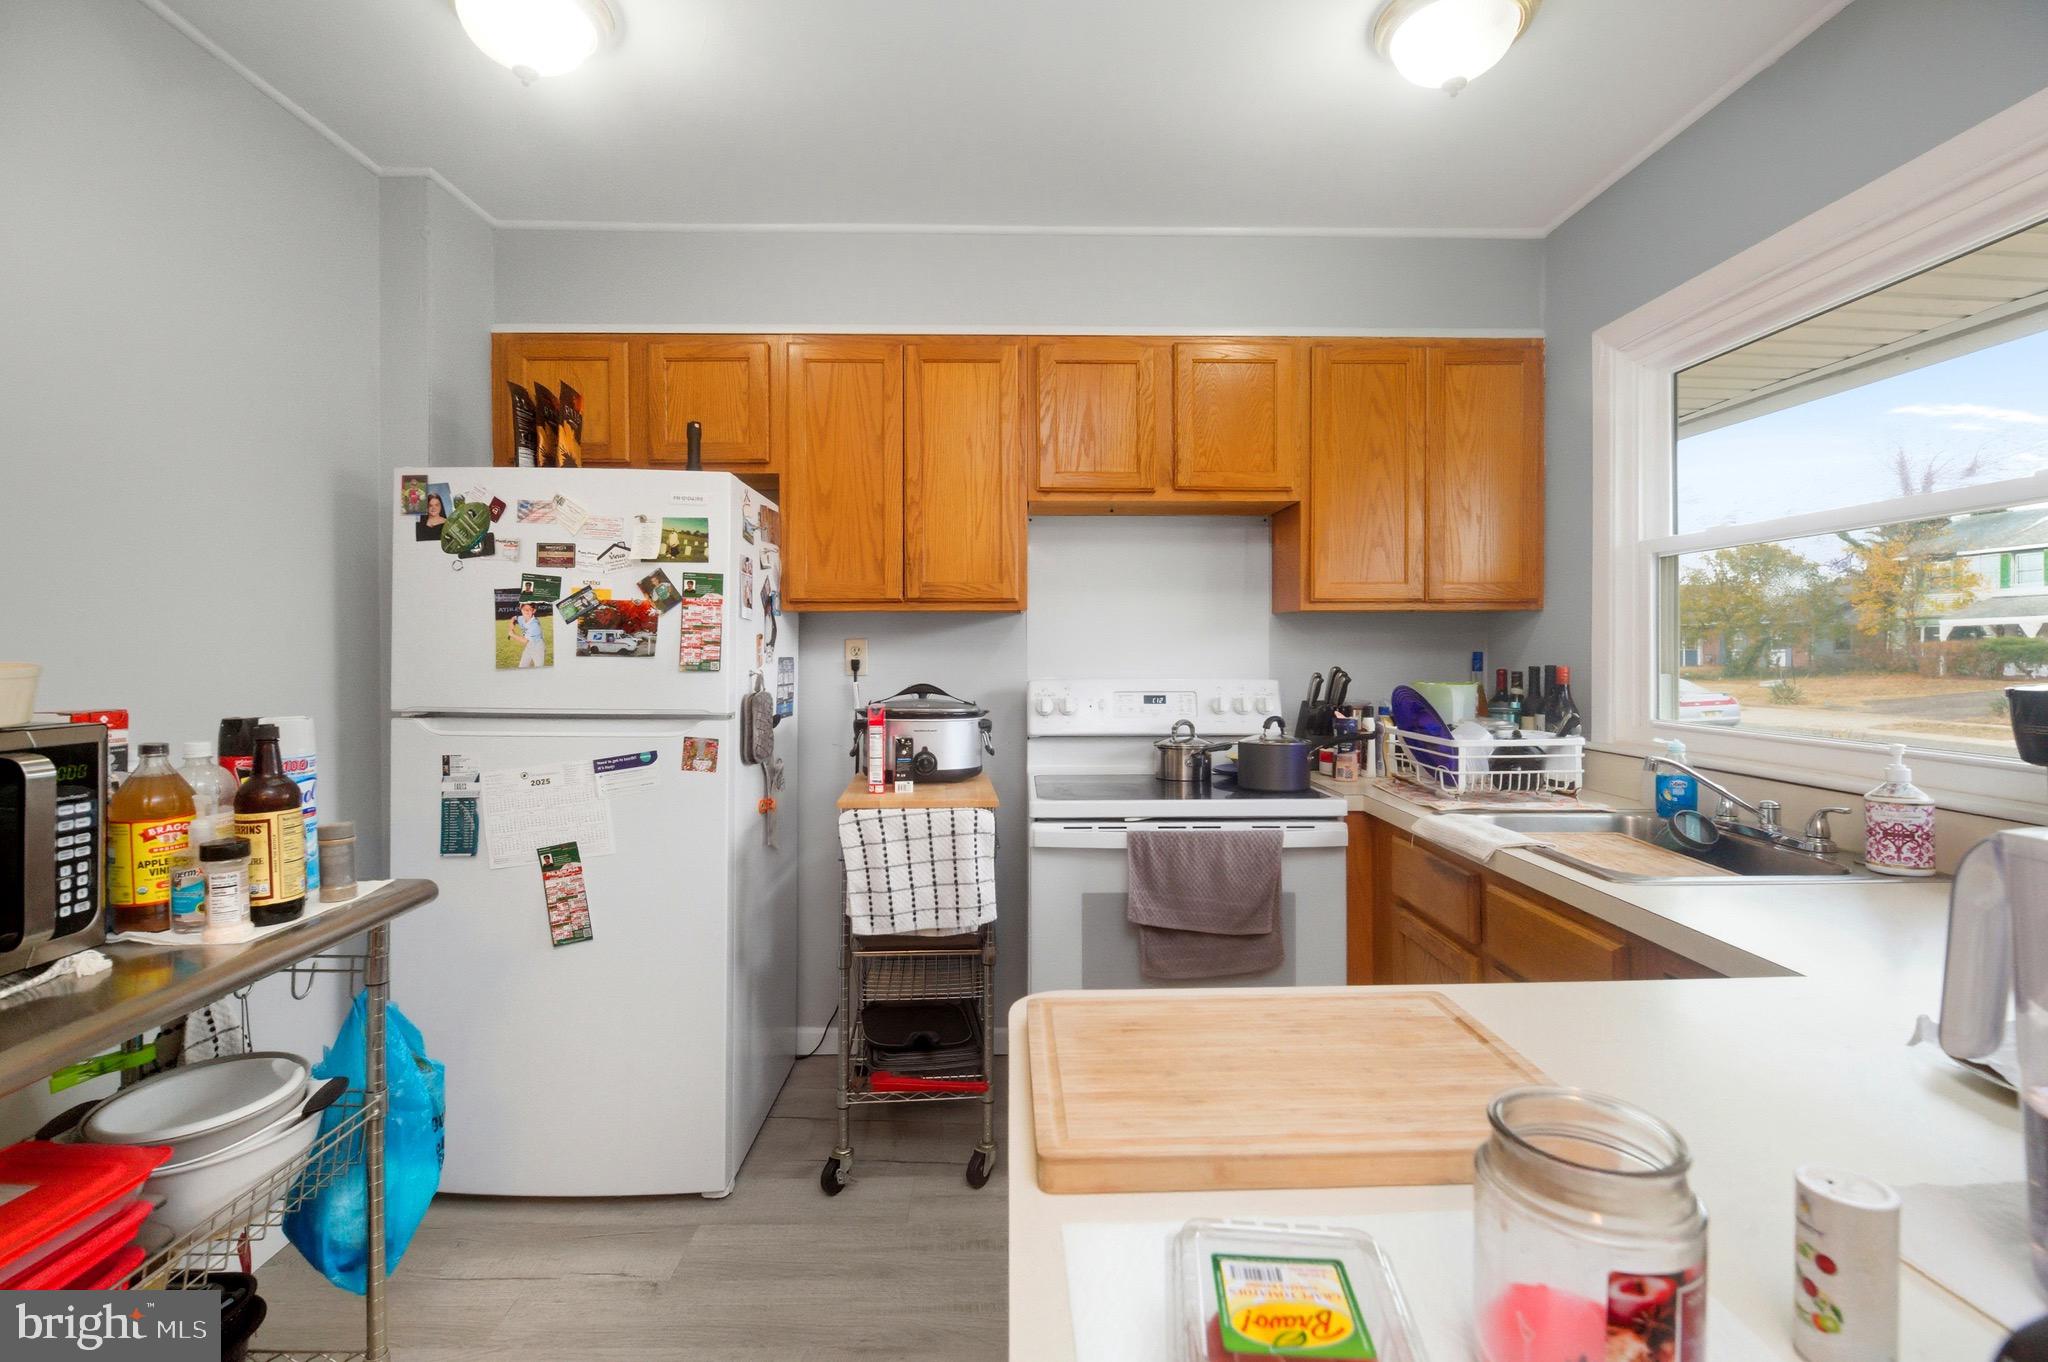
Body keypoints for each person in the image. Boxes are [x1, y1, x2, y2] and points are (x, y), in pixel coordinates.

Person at [509, 601, 545, 668]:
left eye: (530, 610)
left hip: (538, 647)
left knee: (539, 668)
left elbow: (524, 641)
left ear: (534, 611)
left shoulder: (534, 625)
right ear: (521, 609)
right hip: (529, 646)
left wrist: (512, 634)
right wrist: (511, 626)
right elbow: (514, 618)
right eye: (525, 609)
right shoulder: (522, 618)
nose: (527, 612)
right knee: (522, 667)